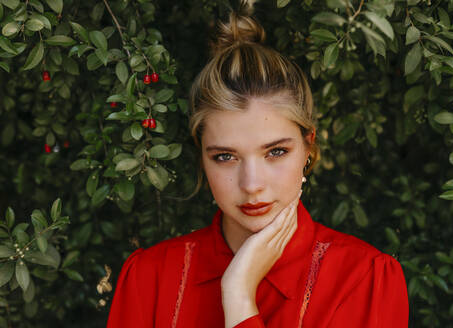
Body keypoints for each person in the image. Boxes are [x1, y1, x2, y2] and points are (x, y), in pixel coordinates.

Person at [107, 3, 409, 328]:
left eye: (275, 152)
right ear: (202, 157)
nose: (251, 184)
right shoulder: (149, 278)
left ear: (309, 146)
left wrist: (239, 298)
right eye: (225, 157)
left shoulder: (364, 279)